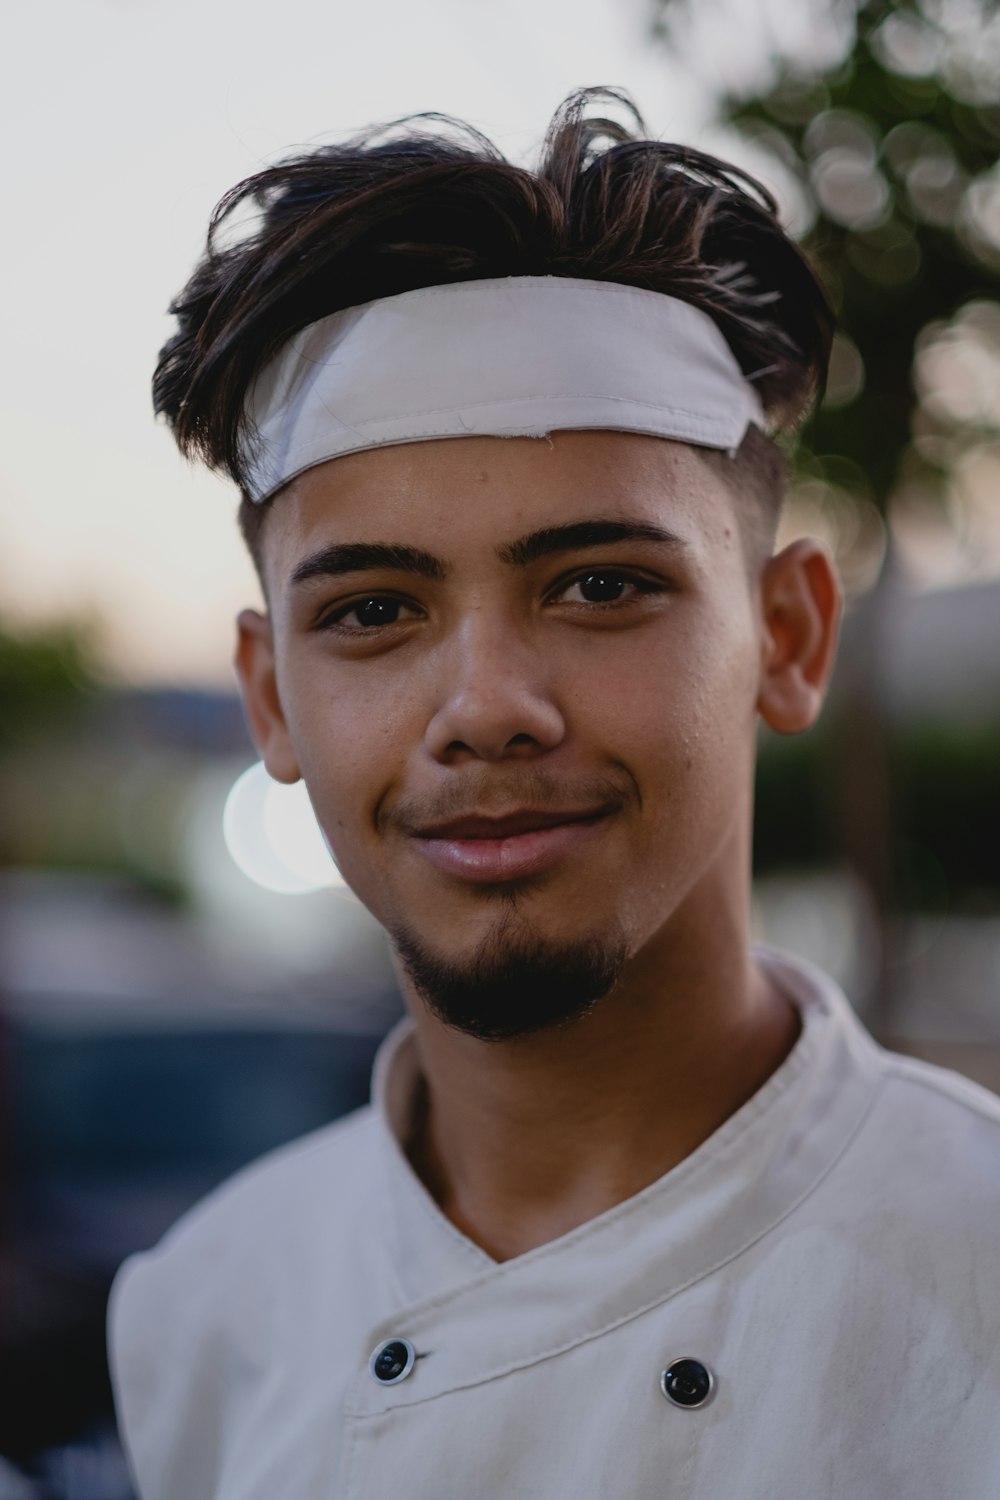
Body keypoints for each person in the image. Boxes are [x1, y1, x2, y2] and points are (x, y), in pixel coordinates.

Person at [108, 89, 1000, 1498]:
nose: (486, 709)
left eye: (601, 586)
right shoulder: (203, 1312)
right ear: (271, 695)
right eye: (374, 611)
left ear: (788, 635)